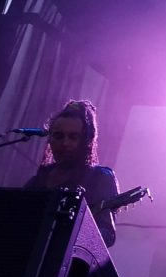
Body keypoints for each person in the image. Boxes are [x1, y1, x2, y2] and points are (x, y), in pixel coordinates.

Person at [24, 99, 120, 247]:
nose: (65, 143)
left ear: (87, 141)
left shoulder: (100, 178)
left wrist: (73, 235)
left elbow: (107, 234)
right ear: (50, 139)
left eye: (73, 137)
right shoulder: (38, 180)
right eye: (58, 136)